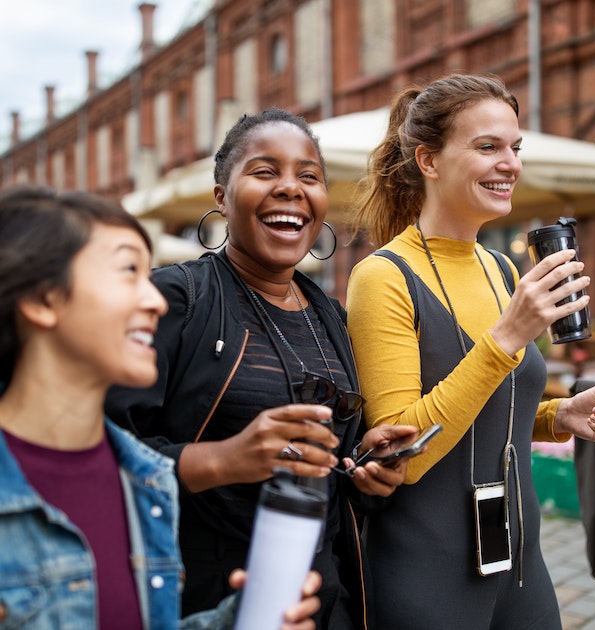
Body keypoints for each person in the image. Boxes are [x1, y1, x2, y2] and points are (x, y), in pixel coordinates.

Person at [105, 107, 416, 628]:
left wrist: (365, 468)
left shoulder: (331, 317)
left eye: (308, 176)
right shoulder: (175, 299)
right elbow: (104, 452)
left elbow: (329, 467)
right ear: (222, 197)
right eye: (265, 171)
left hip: (323, 598)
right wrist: (226, 459)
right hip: (207, 600)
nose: (291, 188)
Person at [345, 73, 595, 629]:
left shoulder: (500, 268)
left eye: (515, 147)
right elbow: (402, 453)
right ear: (428, 160)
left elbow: (490, 411)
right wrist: (506, 338)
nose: (511, 164)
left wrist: (555, 416)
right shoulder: (382, 277)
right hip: (428, 573)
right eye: (487, 147)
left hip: (521, 562)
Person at [0, 185, 321, 629]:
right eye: (128, 271)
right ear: (41, 300)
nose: (153, 298)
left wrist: (235, 621)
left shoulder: (146, 482)